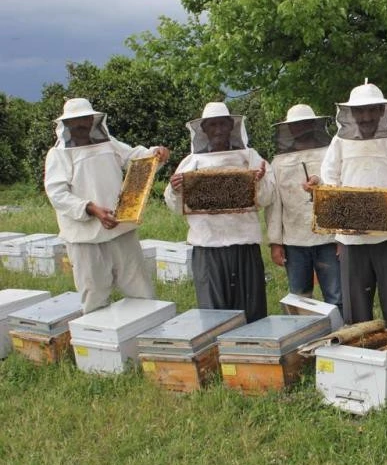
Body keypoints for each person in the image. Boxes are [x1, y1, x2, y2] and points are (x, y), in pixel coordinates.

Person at [308, 81, 387, 330]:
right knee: (356, 311)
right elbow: (329, 178)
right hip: (353, 240)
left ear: (383, 111)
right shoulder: (340, 141)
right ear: (350, 113)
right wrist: (325, 191)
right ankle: (360, 358)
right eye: (361, 111)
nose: (367, 116)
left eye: (372, 110)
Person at [44, 98, 170, 313]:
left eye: (85, 118)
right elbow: (57, 193)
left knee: (141, 290)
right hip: (86, 238)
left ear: (93, 119)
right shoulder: (58, 154)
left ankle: (145, 339)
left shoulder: (108, 143)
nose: (82, 123)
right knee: (94, 295)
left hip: (121, 228)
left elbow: (135, 158)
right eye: (76, 120)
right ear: (67, 124)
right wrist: (91, 209)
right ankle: (100, 342)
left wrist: (156, 153)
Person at [165, 102, 273, 323]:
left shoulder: (250, 157)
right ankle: (216, 354)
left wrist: (259, 182)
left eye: (222, 124)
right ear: (203, 129)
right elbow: (176, 207)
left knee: (251, 309)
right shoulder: (191, 163)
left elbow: (267, 198)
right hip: (207, 246)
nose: (218, 130)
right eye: (212, 125)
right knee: (213, 313)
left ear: (231, 126)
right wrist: (176, 190)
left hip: (244, 245)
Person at [266, 104, 342, 312]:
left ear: (313, 124)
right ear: (289, 129)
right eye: (295, 126)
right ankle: (304, 340)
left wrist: (342, 237)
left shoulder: (331, 154)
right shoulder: (278, 162)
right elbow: (275, 205)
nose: (300, 129)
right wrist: (275, 242)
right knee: (300, 297)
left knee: (336, 295)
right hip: (294, 241)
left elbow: (341, 193)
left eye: (304, 124)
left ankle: (340, 338)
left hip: (328, 239)